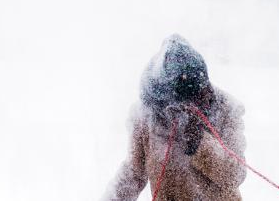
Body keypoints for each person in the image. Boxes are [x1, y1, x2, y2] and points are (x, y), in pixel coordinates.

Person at [103, 34, 247, 200]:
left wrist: (201, 143)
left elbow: (236, 175)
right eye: (192, 100)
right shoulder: (146, 116)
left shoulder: (226, 109)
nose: (202, 101)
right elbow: (134, 174)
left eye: (204, 90)